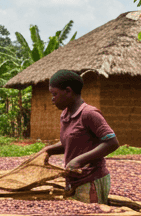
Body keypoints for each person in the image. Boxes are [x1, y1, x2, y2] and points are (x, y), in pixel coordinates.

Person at [40, 69, 119, 204]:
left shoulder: (89, 114)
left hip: (91, 179)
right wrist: (48, 150)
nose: (52, 99)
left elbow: (112, 142)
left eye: (55, 94)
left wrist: (79, 160)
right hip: (73, 180)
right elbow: (70, 143)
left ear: (68, 91)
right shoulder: (65, 115)